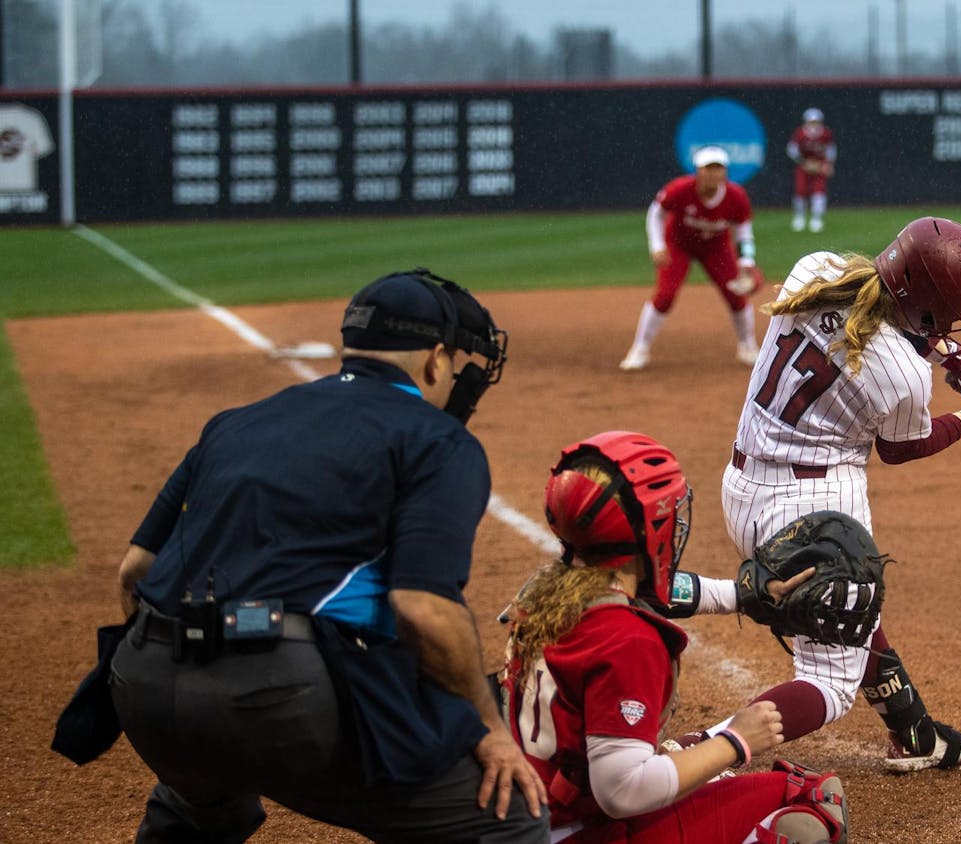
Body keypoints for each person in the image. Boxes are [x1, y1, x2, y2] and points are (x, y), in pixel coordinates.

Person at [105, 269, 549, 843]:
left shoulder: (235, 422)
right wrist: (488, 727)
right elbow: (423, 610)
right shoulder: (437, 441)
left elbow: (135, 573)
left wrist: (188, 674)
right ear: (437, 360)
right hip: (274, 700)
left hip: (142, 687)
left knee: (202, 796)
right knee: (506, 817)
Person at [676, 217, 961, 772]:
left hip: (744, 486)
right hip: (813, 516)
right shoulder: (903, 375)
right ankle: (698, 748)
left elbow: (875, 325)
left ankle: (914, 734)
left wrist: (958, 364)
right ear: (928, 306)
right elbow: (903, 447)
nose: (957, 325)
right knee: (828, 686)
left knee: (852, 609)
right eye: (951, 316)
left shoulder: (816, 271)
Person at [499, 431, 849, 843]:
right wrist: (735, 740)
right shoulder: (628, 639)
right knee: (811, 805)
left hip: (533, 815)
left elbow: (659, 595)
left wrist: (744, 595)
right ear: (650, 529)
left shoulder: (543, 592)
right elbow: (622, 792)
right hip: (583, 828)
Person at [621, 145, 764, 372]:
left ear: (725, 172)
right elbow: (656, 212)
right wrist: (657, 246)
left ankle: (748, 346)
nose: (713, 173)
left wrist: (747, 261)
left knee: (736, 296)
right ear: (697, 171)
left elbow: (744, 229)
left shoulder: (736, 196)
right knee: (665, 295)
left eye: (718, 168)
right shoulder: (680, 189)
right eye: (708, 168)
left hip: (716, 248)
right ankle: (640, 348)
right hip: (678, 246)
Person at [786, 108, 836, 233]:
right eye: (811, 122)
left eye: (816, 121)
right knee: (800, 191)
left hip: (819, 166)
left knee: (819, 192)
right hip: (804, 166)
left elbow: (831, 150)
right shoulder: (800, 134)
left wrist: (828, 164)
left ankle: (816, 219)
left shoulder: (825, 134)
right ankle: (799, 218)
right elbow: (791, 150)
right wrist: (804, 162)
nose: (813, 124)